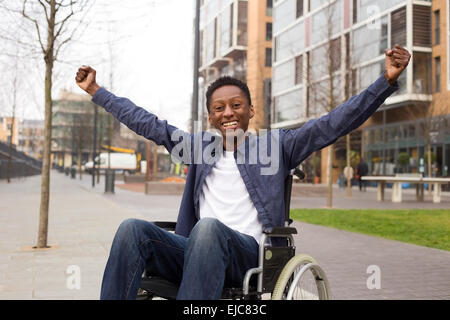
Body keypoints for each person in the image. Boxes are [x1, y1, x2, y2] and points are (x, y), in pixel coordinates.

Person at [75, 45, 410, 300]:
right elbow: (147, 123)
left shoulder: (277, 146)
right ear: (210, 118)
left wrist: (386, 81)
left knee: (208, 229)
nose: (228, 113)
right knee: (132, 228)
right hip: (196, 252)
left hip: (249, 256)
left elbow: (333, 124)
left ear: (251, 110)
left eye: (236, 105)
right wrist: (96, 91)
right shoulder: (199, 148)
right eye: (219, 108)